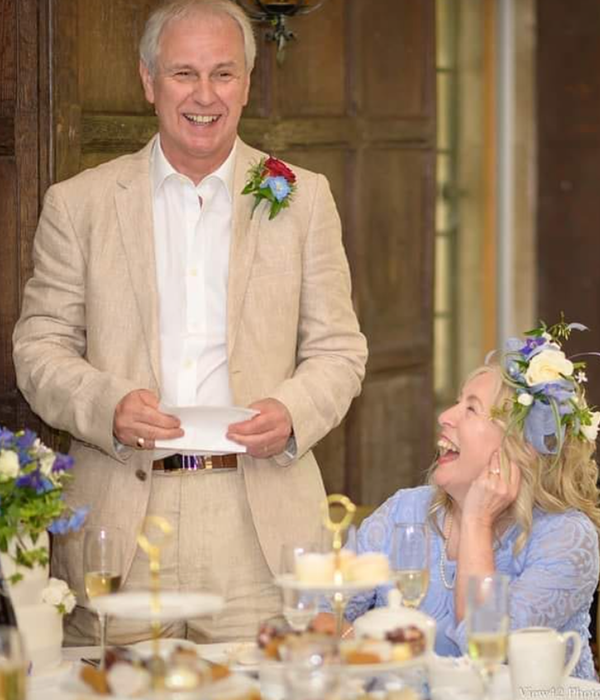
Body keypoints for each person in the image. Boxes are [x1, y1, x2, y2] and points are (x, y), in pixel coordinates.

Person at [12, 0, 367, 644]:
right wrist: (108, 404)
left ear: (248, 84)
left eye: (223, 74)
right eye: (183, 74)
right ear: (148, 83)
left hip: (262, 529)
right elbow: (39, 349)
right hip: (123, 523)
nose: (205, 95)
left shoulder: (302, 196)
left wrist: (292, 411)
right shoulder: (79, 203)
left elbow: (340, 351)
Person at [320, 320, 600, 679]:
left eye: (470, 409)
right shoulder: (404, 512)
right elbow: (325, 609)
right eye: (456, 403)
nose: (444, 417)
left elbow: (485, 650)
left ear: (522, 448)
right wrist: (356, 644)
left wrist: (476, 521)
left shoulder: (566, 538)